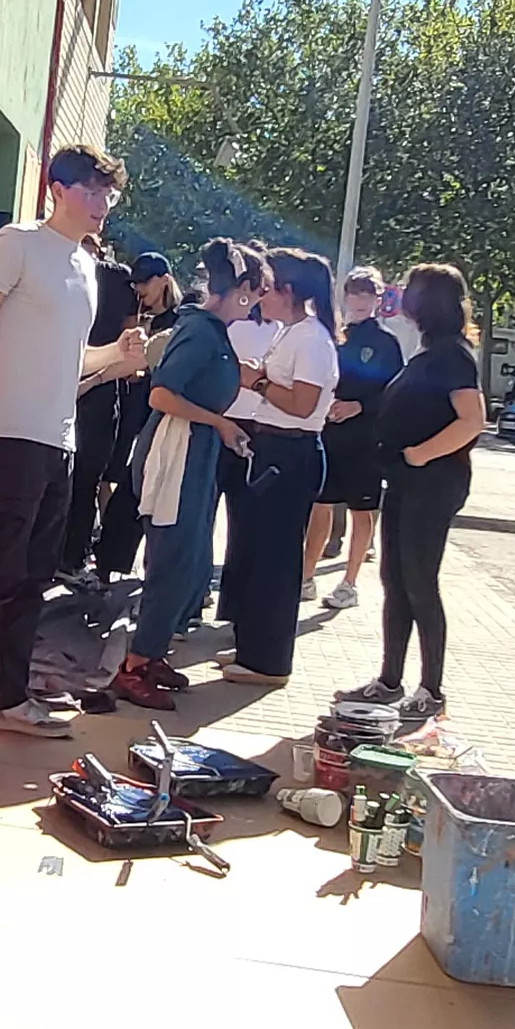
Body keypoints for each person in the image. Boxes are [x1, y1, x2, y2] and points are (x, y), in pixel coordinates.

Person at [0, 145, 147, 759]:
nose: (102, 204)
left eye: (109, 194)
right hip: (7, 437)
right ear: (58, 189)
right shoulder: (15, 244)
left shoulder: (86, 267)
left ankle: (8, 699)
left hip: (58, 444)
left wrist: (118, 356)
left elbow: (73, 362)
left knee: (31, 580)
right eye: (91, 191)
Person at [110, 240, 259, 708]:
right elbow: (162, 394)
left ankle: (151, 652)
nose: (257, 303)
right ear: (241, 289)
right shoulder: (200, 330)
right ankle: (134, 665)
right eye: (256, 292)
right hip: (174, 453)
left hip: (195, 451)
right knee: (172, 560)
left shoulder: (211, 330)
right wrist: (219, 422)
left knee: (190, 561)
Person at [337, 263, 488, 718]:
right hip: (405, 480)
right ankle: (389, 680)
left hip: (433, 482)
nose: (400, 294)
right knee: (394, 579)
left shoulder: (452, 355)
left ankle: (431, 689)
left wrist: (422, 453)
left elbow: (472, 420)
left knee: (420, 581)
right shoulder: (428, 351)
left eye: (410, 289)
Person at [217, 249, 340, 687]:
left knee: (276, 559)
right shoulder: (292, 333)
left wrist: (258, 381)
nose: (260, 296)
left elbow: (303, 404)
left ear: (287, 291)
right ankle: (253, 645)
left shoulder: (311, 338)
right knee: (257, 552)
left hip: (292, 452)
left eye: (267, 287)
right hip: (273, 447)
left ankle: (268, 660)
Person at [307, 266, 408, 611]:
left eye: (368, 294)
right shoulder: (335, 336)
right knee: (320, 505)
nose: (361, 301)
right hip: (329, 434)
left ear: (379, 299)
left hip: (366, 440)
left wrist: (359, 406)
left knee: (361, 511)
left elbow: (393, 393)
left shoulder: (387, 343)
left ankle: (349, 582)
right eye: (355, 294)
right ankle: (306, 575)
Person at [86, 252, 180, 581]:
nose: (139, 289)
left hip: (158, 413)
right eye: (135, 282)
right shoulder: (138, 315)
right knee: (114, 479)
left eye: (144, 282)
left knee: (139, 491)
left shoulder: (178, 320)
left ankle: (118, 562)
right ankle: (108, 560)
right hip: (130, 407)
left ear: (164, 280)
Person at [58, 240, 147, 582]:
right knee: (87, 483)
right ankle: (72, 558)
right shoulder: (122, 283)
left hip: (61, 384)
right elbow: (132, 356)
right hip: (102, 392)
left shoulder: (66, 275)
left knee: (56, 478)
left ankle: (47, 555)